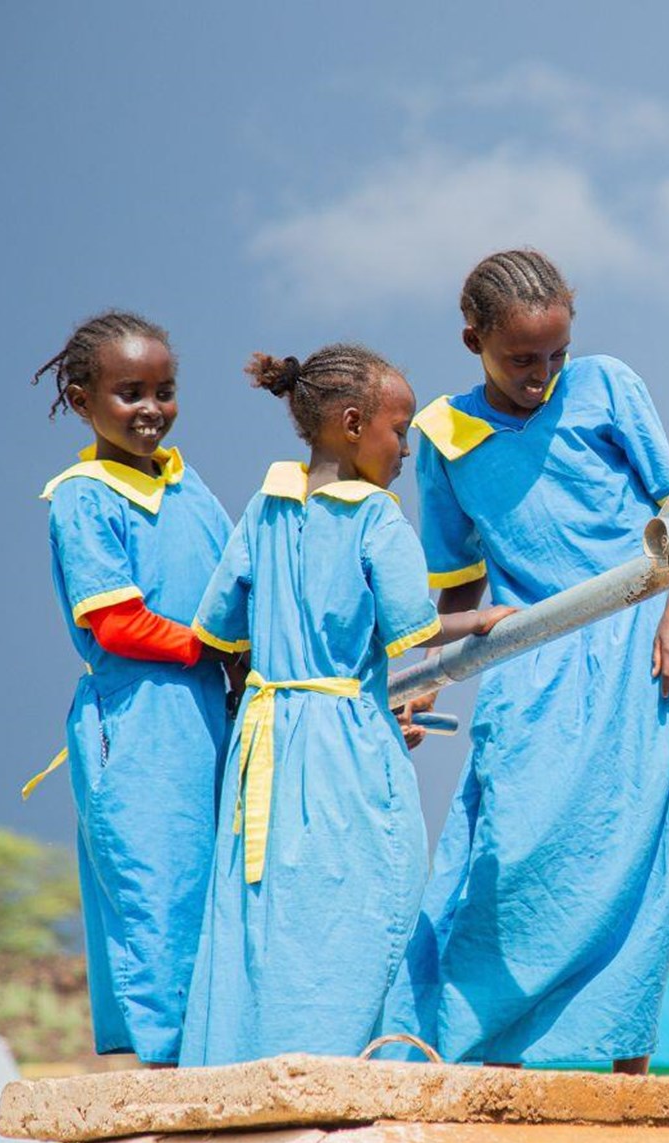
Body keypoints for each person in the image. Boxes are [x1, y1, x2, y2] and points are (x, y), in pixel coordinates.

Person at [391, 248, 669, 1074]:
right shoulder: (443, 436)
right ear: (473, 342)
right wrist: (418, 681)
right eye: (520, 358)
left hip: (652, 656)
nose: (542, 374)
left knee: (639, 859)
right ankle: (475, 1059)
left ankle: (621, 1066)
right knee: (510, 853)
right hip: (531, 664)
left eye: (554, 354)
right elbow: (453, 592)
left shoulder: (608, 386)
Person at [178, 345, 511, 1065]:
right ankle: (356, 1061)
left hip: (262, 741)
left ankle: (245, 1058)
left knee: (264, 910)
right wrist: (479, 619)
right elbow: (412, 627)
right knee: (366, 898)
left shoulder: (263, 507)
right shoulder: (377, 520)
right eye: (399, 432)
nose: (406, 449)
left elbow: (218, 628)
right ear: (354, 424)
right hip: (344, 739)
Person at [29, 311, 234, 1067]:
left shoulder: (190, 485)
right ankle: (164, 1059)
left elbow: (233, 584)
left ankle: (214, 1044)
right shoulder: (83, 496)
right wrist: (212, 647)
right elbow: (116, 622)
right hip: (139, 720)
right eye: (128, 393)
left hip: (210, 711)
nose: (151, 408)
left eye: (164, 390)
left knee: (213, 879)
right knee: (154, 882)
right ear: (82, 401)